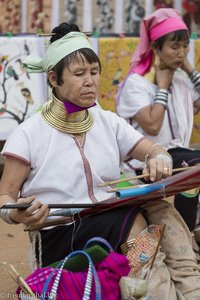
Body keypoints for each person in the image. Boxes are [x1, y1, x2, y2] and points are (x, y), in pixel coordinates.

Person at [0, 22, 199, 299]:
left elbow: (154, 149)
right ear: (53, 78)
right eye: (79, 74)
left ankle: (186, 289)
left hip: (107, 220)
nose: (90, 81)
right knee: (133, 221)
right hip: (60, 234)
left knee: (158, 210)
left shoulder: (107, 121)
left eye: (94, 72)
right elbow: (5, 196)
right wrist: (16, 212)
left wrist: (159, 159)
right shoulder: (29, 134)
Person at [117, 8, 200, 258]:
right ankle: (186, 239)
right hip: (144, 163)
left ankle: (188, 234)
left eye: (185, 46)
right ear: (155, 47)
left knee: (192, 166)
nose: (181, 52)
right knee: (193, 167)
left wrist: (188, 69)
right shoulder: (137, 84)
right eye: (174, 46)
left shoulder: (183, 80)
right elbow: (152, 125)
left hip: (177, 155)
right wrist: (162, 86)